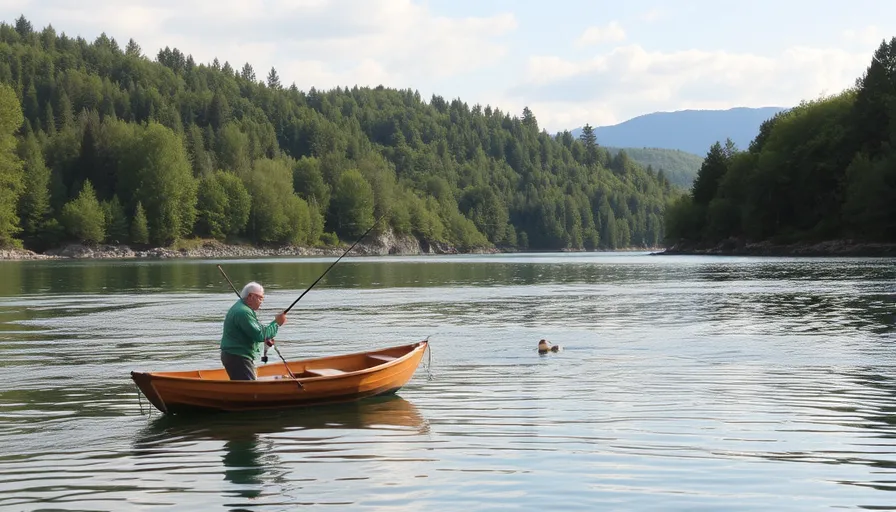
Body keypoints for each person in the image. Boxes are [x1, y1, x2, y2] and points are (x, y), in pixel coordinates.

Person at [220, 281, 287, 380]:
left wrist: (272, 326)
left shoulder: (242, 308)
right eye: (260, 298)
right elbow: (260, 335)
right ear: (251, 296)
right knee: (249, 389)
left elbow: (257, 331)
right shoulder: (243, 312)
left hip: (235, 355)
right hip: (238, 357)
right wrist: (277, 324)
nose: (261, 302)